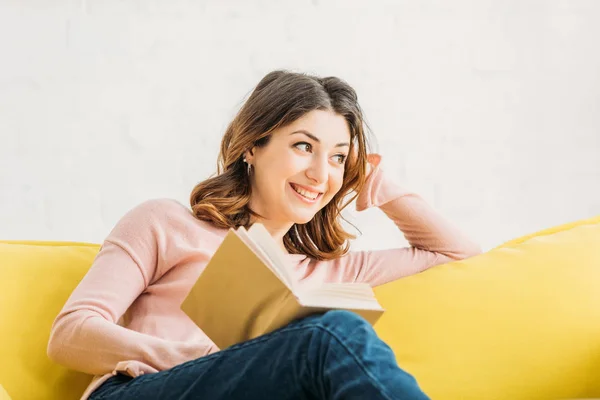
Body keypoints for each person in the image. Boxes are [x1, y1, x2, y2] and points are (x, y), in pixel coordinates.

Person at [47, 70, 481, 400]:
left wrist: (377, 184)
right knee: (331, 334)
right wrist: (185, 357)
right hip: (142, 391)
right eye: (303, 146)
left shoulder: (331, 270)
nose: (320, 173)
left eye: (338, 158)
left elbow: (458, 253)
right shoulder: (167, 223)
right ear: (253, 146)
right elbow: (70, 334)